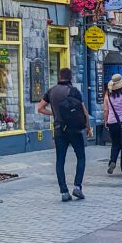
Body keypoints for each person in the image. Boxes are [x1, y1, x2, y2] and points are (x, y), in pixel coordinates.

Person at [38, 67, 92, 201]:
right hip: (75, 129)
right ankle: (77, 186)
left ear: (59, 77)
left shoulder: (51, 91)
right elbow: (84, 111)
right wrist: (88, 127)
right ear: (70, 77)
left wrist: (54, 113)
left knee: (60, 160)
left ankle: (64, 191)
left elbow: (40, 108)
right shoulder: (73, 91)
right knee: (81, 157)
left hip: (59, 129)